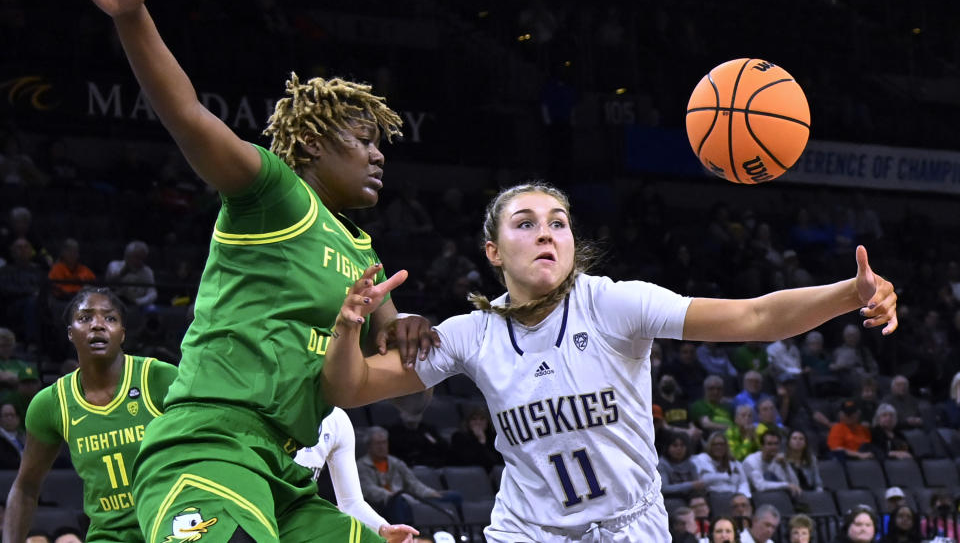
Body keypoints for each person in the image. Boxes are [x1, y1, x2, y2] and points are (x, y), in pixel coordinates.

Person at [70, 0, 436, 542]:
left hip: (285, 474)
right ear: (314, 144)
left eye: (382, 145)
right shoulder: (272, 192)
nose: (379, 156)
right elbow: (185, 114)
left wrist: (413, 336)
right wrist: (131, 17)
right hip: (206, 447)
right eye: (363, 140)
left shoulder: (362, 250)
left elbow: (399, 392)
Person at [322, 182, 898, 542]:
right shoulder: (473, 334)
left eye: (558, 223)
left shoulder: (614, 304)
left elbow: (753, 318)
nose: (546, 233)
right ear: (494, 252)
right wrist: (349, 329)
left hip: (631, 527)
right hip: (528, 531)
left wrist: (851, 293)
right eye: (525, 223)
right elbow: (351, 391)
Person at [2, 287, 178, 543]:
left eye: (110, 318)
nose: (98, 325)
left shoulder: (158, 377)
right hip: (109, 537)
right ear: (71, 333)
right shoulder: (51, 403)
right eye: (85, 318)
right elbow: (26, 487)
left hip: (171, 527)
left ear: (122, 334)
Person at [293, 407, 419, 543]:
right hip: (270, 514)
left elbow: (350, 502)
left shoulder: (337, 419)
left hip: (297, 521)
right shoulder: (271, 406)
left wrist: (383, 528)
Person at [356, 427, 460, 526]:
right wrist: (392, 495)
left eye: (384, 442)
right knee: (398, 501)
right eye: (378, 443)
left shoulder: (396, 463)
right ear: (368, 446)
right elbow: (368, 489)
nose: (382, 446)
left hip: (406, 500)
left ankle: (463, 532)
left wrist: (431, 493)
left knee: (454, 496)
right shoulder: (361, 466)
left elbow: (413, 484)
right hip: (381, 505)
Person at [742, 429, 802, 498]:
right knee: (768, 476)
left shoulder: (778, 460)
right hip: (750, 497)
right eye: (769, 444)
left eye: (776, 444)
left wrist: (785, 466)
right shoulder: (751, 461)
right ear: (762, 446)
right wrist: (787, 485)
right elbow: (760, 486)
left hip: (773, 497)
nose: (773, 447)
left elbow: (795, 484)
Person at [449, 405, 504, 473]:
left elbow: (497, 460)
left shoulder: (493, 437)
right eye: (474, 419)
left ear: (487, 422)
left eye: (482, 419)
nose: (478, 422)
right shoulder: (459, 437)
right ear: (468, 422)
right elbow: (469, 460)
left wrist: (483, 441)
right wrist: (481, 442)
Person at [659, 430, 706, 501]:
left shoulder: (691, 464)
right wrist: (690, 485)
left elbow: (697, 486)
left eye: (682, 445)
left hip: (690, 498)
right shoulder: (662, 464)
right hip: (669, 499)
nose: (679, 449)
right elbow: (664, 489)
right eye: (675, 445)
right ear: (667, 447)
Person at [0, 402, 25, 469]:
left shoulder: (24, 437)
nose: (9, 418)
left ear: (18, 418)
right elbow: (5, 461)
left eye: (12, 415)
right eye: (6, 415)